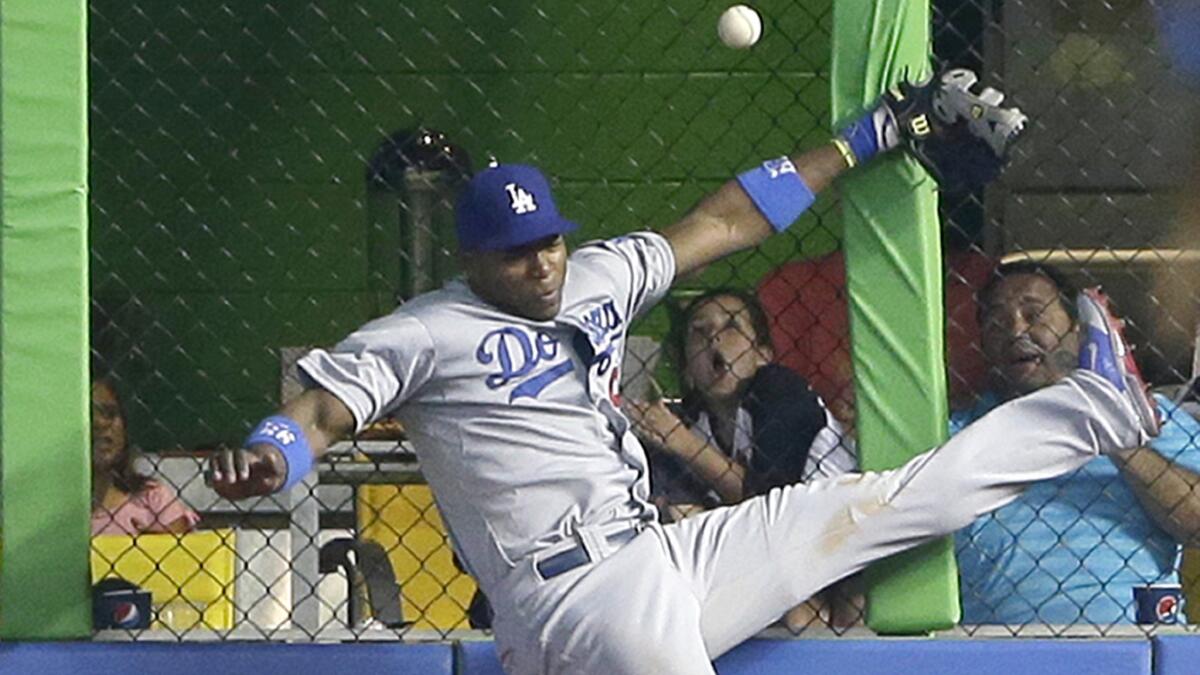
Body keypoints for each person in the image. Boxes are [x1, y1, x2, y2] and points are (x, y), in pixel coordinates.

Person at [209, 71, 1154, 674]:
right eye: (515, 255)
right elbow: (322, 413)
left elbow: (730, 218)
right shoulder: (425, 332)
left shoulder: (596, 274)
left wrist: (871, 135)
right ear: (473, 260)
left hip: (661, 556)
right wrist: (272, 451)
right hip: (575, 602)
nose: (540, 266)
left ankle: (1094, 407)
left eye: (547, 243)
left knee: (885, 500)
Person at [953, 261, 1200, 625]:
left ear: (1077, 331)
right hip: (993, 649)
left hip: (1132, 641)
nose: (1015, 330)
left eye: (1034, 314)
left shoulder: (1151, 417)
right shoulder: (958, 431)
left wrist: (1109, 428)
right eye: (996, 321)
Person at [626, 288, 861, 629]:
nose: (715, 339)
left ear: (762, 354)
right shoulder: (689, 420)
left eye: (732, 327)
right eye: (700, 332)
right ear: (687, 365)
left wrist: (682, 443)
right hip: (769, 556)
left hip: (841, 534)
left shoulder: (780, 390)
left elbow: (772, 507)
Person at [91, 378, 200, 536]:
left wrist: (153, 545)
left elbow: (184, 551)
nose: (100, 424)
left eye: (109, 413)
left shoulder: (151, 498)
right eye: (89, 415)